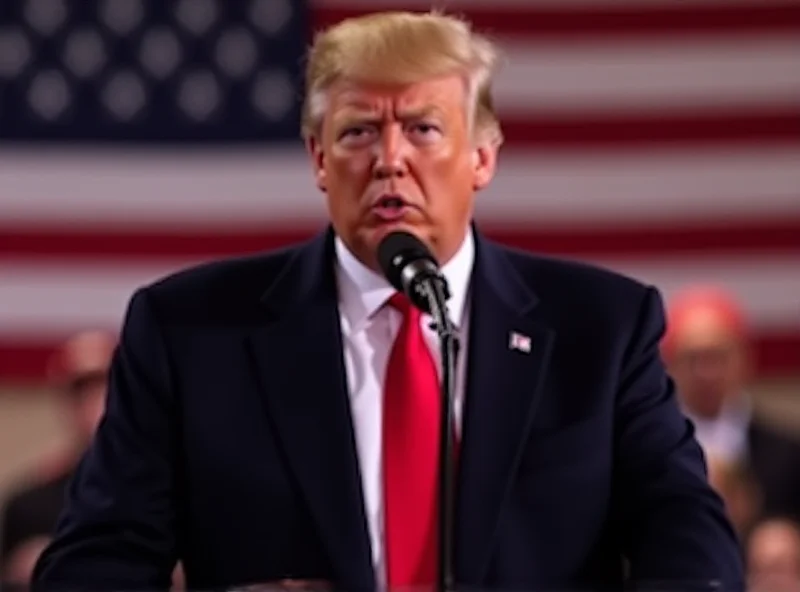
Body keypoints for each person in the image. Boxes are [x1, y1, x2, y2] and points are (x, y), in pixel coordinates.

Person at [32, 10, 743, 591]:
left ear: (483, 157)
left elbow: (685, 533)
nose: (389, 159)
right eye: (358, 131)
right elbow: (96, 561)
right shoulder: (191, 332)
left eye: (423, 128)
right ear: (317, 158)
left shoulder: (599, 328)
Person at [662, 286, 800, 521]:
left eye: (717, 357)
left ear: (745, 359)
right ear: (669, 366)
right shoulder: (649, 450)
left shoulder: (787, 454)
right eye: (693, 359)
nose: (706, 373)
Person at [1, 330, 114, 586]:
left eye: (109, 390)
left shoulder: (169, 497)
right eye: (85, 393)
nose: (98, 406)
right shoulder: (28, 506)